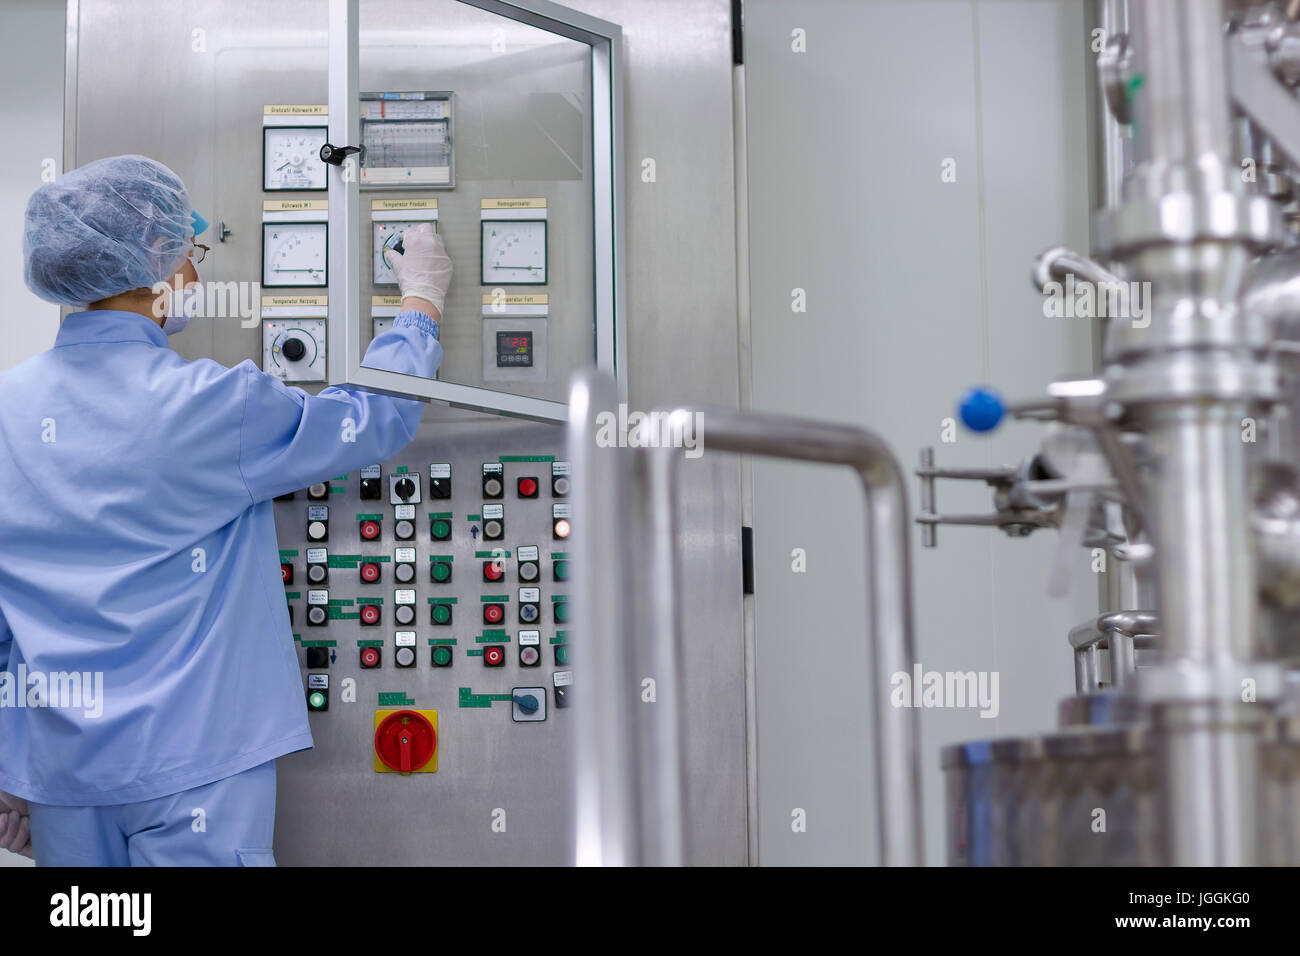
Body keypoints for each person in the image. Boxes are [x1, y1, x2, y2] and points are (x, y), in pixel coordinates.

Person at [0, 154, 452, 866]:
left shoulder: (7, 412)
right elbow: (371, 418)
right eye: (190, 253)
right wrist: (420, 304)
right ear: (153, 265)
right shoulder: (210, 405)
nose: (197, 275)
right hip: (195, 767)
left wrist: (12, 768)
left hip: (62, 774)